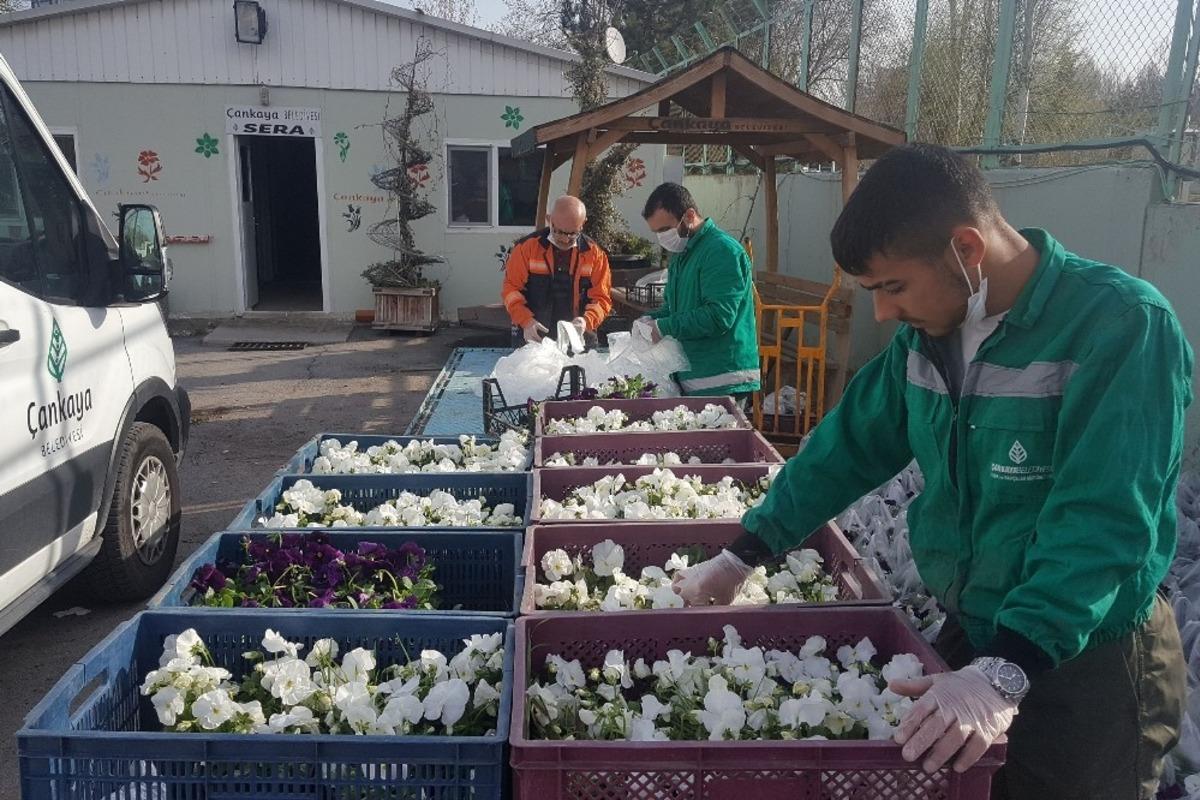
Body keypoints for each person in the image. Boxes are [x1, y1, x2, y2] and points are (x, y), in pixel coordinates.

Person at [672, 143, 1193, 800]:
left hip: (1090, 658)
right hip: (977, 627)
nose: (883, 314)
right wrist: (744, 553)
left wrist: (1006, 669)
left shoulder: (1120, 328)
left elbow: (1104, 519)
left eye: (892, 287)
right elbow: (847, 447)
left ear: (966, 251)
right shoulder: (930, 337)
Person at [638, 182, 760, 403]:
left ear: (689, 215)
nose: (662, 238)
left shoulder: (721, 251)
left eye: (665, 229)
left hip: (722, 379)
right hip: (694, 376)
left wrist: (662, 327)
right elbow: (675, 309)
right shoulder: (682, 255)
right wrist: (649, 320)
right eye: (656, 233)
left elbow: (718, 316)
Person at [501, 195, 612, 350]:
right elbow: (511, 290)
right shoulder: (526, 249)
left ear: (583, 224)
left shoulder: (595, 255)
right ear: (549, 219)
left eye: (572, 233)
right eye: (559, 232)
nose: (565, 240)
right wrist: (525, 320)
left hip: (579, 336)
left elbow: (602, 298)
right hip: (533, 333)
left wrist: (586, 321)